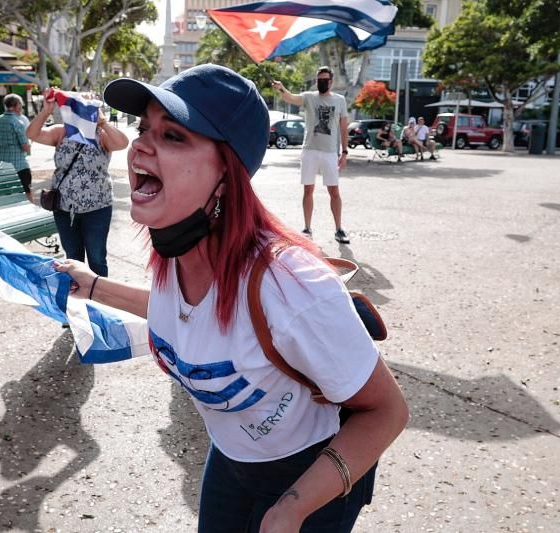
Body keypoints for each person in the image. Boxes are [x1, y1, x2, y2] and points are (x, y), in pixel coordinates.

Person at [55, 64, 408, 532]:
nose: (140, 145)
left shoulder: (290, 284)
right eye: (144, 128)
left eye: (173, 135)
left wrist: (291, 510)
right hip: (231, 461)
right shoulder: (175, 250)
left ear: (227, 174)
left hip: (313, 471)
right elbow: (184, 314)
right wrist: (93, 286)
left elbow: (388, 411)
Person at [26, 90, 128, 277]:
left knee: (97, 259)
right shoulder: (61, 132)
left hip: (98, 208)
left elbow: (123, 143)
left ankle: (99, 297)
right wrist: (46, 111)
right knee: (72, 258)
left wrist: (102, 121)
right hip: (64, 208)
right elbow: (32, 133)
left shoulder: (101, 135)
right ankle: (76, 294)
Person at [271, 67, 351, 244]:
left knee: (334, 192)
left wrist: (344, 152)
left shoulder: (340, 100)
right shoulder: (309, 97)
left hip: (330, 152)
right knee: (308, 190)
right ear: (317, 81)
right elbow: (291, 97)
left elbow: (344, 128)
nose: (322, 82)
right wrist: (281, 88)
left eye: (326, 79)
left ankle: (339, 229)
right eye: (320, 79)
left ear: (331, 81)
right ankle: (307, 228)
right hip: (310, 150)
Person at [0, 94, 33, 202]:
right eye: (21, 105)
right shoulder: (17, 122)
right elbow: (25, 147)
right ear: (17, 105)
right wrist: (29, 147)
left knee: (7, 194)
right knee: (27, 192)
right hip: (18, 165)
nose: (22, 108)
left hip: (1, 165)